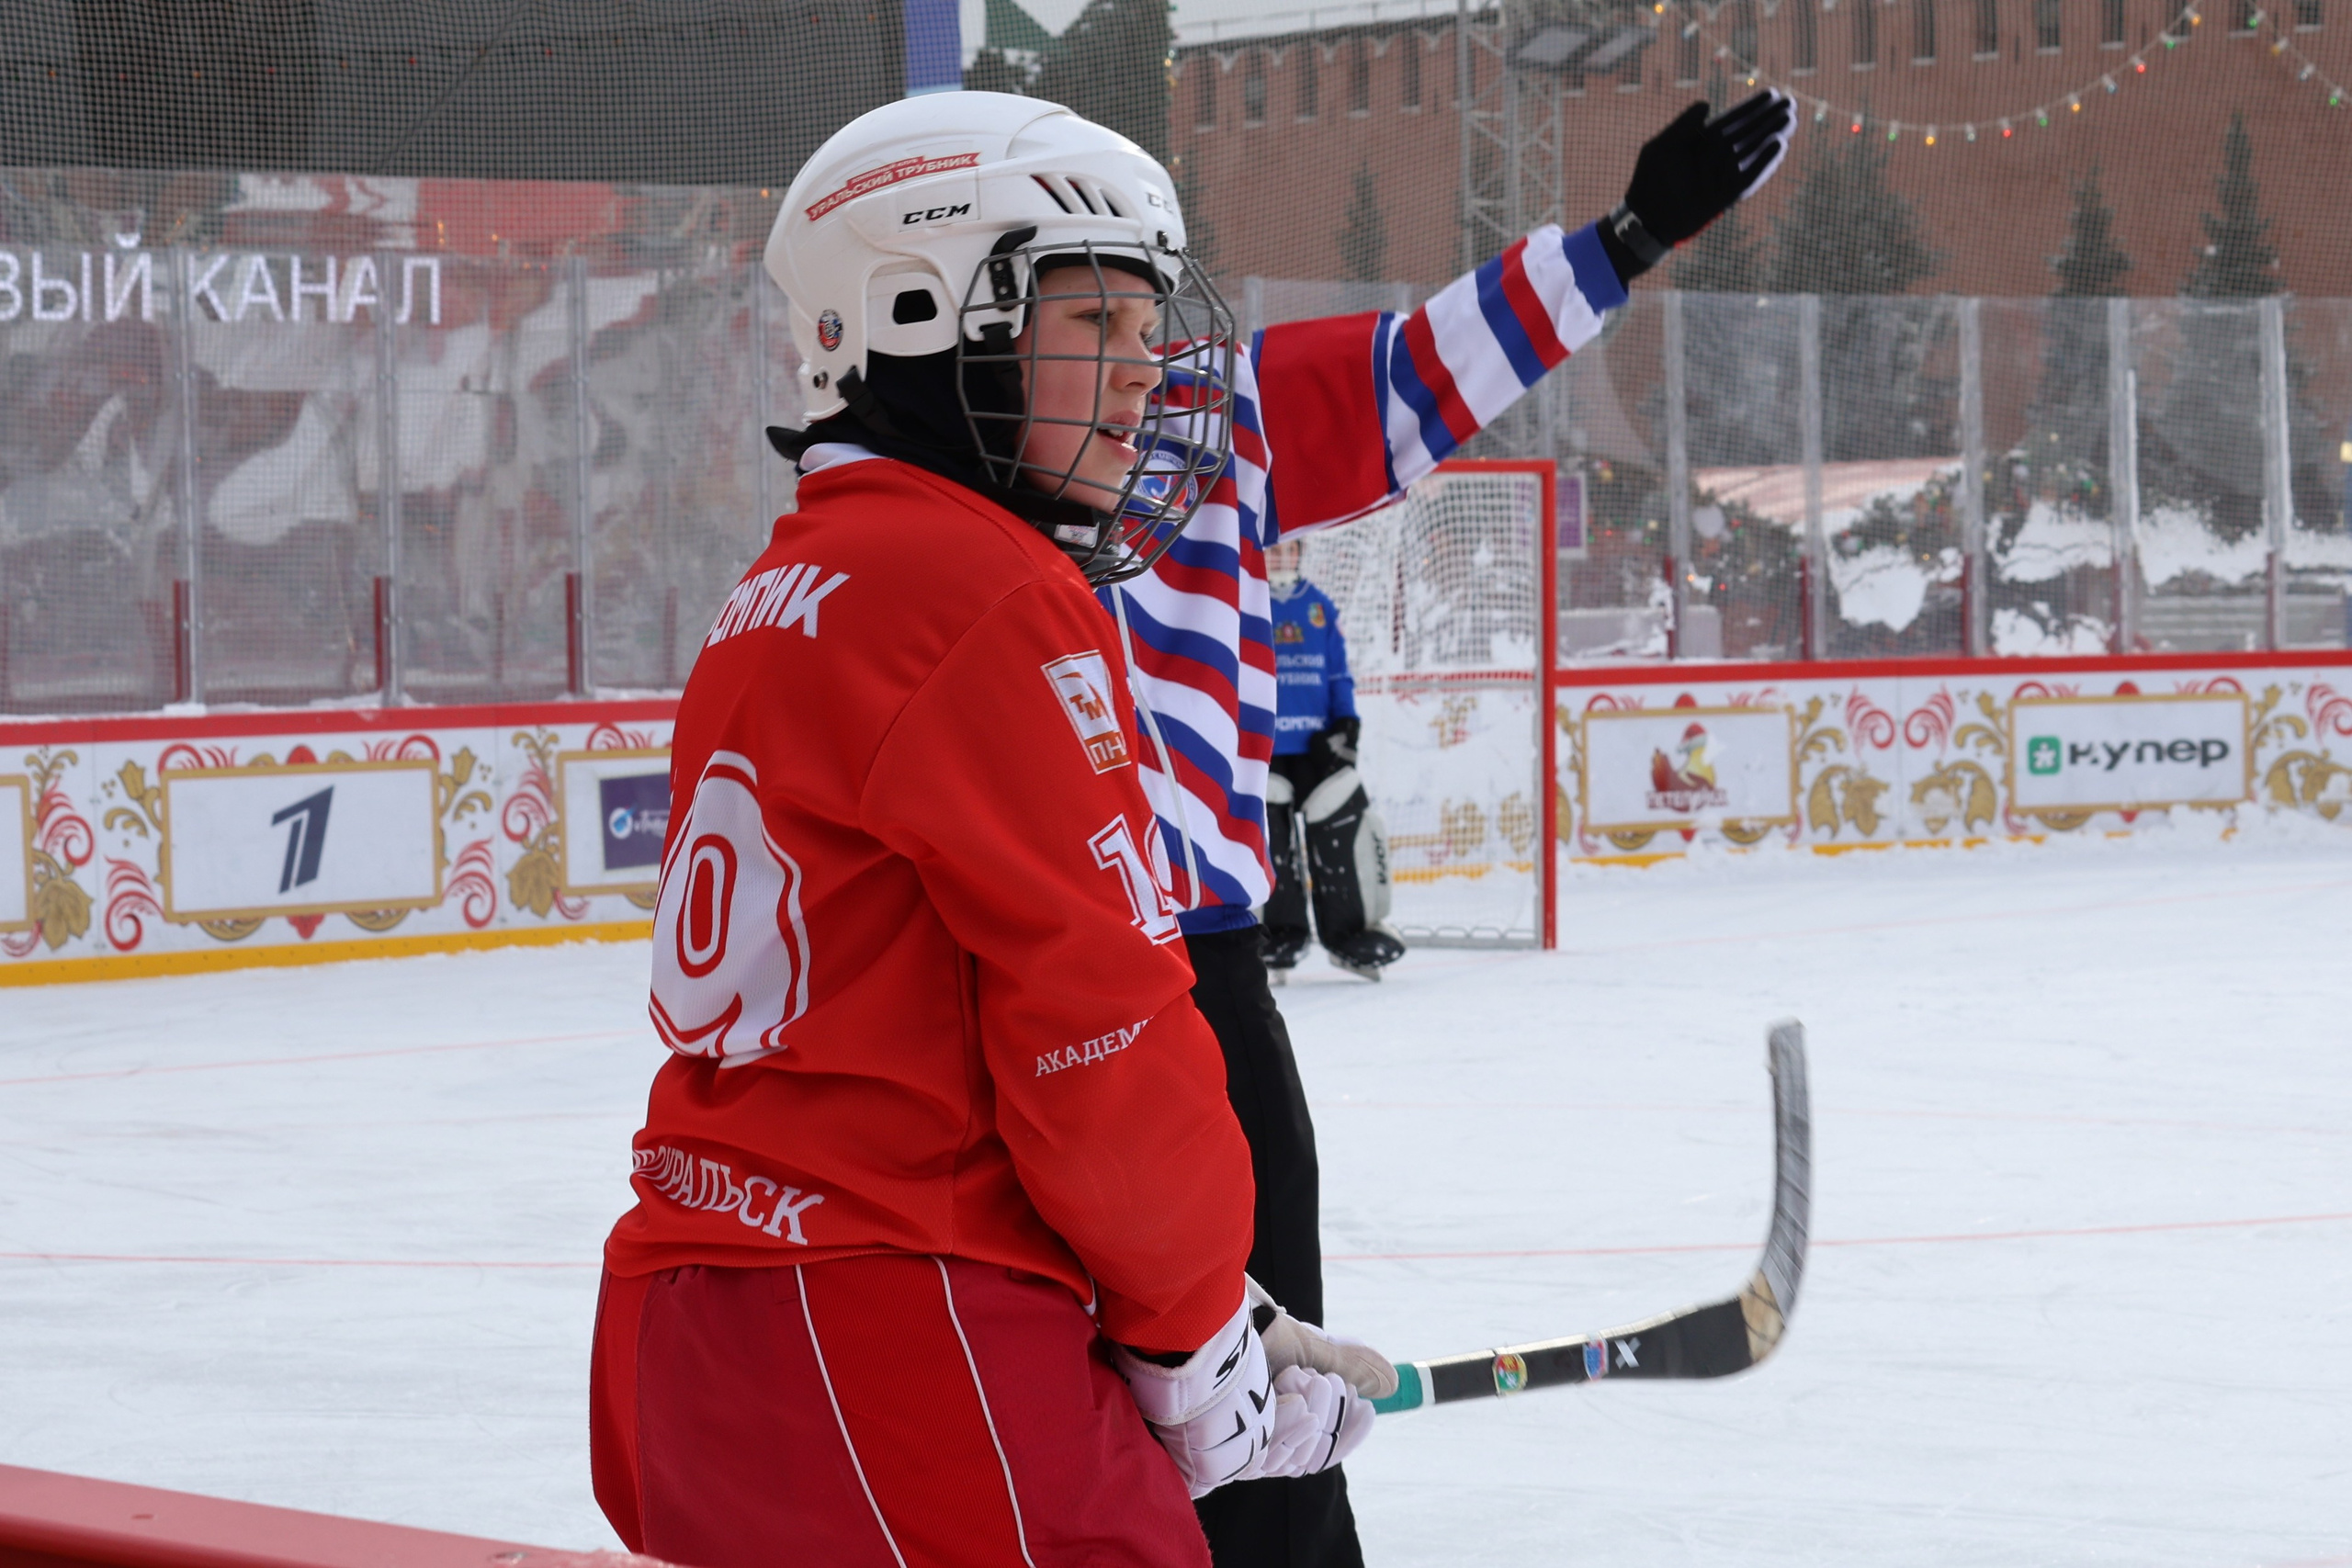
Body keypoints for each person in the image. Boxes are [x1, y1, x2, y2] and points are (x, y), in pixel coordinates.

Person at [587, 92, 1398, 1568]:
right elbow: (1100, 1034)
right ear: (920, 310)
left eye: (1151, 325)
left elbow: (908, 1026)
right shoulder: (987, 595)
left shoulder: (783, 588)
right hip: (902, 1347)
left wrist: (1240, 1310)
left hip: (702, 1329)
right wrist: (1195, 1327)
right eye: (1096, 315)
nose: (1148, 372)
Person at [1096, 88, 1797, 1568]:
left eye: (1139, 298)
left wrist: (1621, 240)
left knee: (1268, 1404)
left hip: (1203, 979)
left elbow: (1417, 369)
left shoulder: (1215, 405)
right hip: (1036, 967)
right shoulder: (941, 483)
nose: (1134, 338)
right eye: (1082, 301)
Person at [1260, 540, 1404, 982]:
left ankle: (1349, 936)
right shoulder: (1245, 603)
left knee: (1341, 834)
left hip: (1315, 747)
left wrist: (1346, 722)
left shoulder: (1319, 606)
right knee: (1270, 844)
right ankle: (1277, 937)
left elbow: (1337, 672)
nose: (1280, 558)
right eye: (1272, 550)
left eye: (1288, 550)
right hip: (1264, 747)